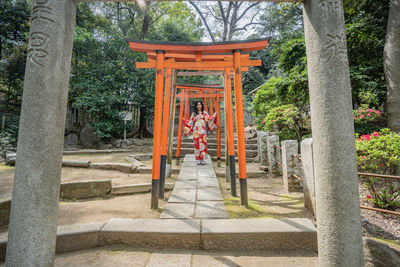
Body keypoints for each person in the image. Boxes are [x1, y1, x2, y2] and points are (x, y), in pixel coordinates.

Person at [186, 101, 216, 165]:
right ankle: (198, 159)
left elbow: (209, 119)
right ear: (196, 106)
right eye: (197, 105)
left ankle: (202, 159)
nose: (199, 106)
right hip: (196, 130)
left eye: (200, 105)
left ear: (202, 105)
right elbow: (191, 122)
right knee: (196, 144)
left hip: (203, 129)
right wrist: (188, 122)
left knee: (203, 143)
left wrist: (213, 116)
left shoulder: (205, 113)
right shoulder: (194, 113)